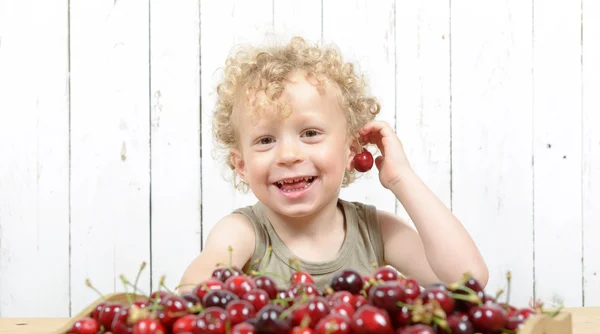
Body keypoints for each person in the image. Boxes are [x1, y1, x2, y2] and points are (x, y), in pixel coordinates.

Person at [178, 36, 488, 294]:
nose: (288, 155)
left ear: (352, 149)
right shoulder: (242, 232)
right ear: (242, 165)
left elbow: (466, 280)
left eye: (310, 133)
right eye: (265, 140)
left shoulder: (373, 231)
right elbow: (194, 289)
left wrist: (402, 179)